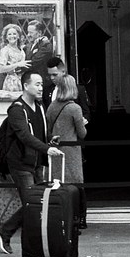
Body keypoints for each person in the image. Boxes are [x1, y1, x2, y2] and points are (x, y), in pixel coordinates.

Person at [0, 70, 63, 256]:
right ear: (26, 86)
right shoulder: (16, 109)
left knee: (37, 204)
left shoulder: (39, 106)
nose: (41, 88)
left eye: (41, 84)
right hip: (21, 163)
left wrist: (49, 140)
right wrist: (46, 149)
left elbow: (39, 132)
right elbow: (24, 136)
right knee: (33, 204)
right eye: (37, 84)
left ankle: (8, 232)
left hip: (37, 162)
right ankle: (7, 233)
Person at [46, 75, 88, 229]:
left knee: (59, 184)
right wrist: (83, 123)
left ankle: (61, 216)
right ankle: (79, 218)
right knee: (77, 184)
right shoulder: (74, 108)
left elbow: (48, 130)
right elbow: (82, 133)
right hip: (72, 151)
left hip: (57, 151)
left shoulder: (51, 107)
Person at [46, 56, 91, 122]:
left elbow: (86, 113)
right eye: (49, 75)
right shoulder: (47, 90)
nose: (52, 78)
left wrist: (82, 120)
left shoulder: (78, 89)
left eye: (55, 74)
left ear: (63, 72)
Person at [0, 23, 28, 98]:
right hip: (11, 82)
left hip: (22, 80)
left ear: (18, 36)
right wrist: (17, 65)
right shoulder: (5, 50)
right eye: (9, 34)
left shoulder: (21, 50)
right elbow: (1, 69)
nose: (12, 36)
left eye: (14, 34)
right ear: (6, 37)